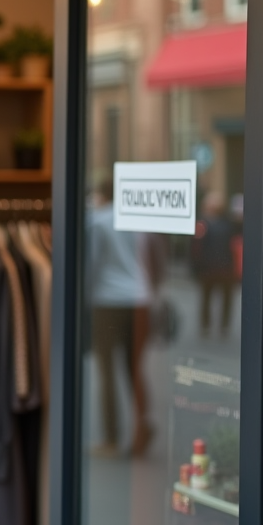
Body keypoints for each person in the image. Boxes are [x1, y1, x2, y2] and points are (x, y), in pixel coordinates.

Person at [86, 181, 153, 457]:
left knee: (107, 371)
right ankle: (142, 427)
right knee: (134, 368)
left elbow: (92, 263)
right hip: (140, 299)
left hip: (107, 300)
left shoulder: (98, 221)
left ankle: (111, 438)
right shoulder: (138, 222)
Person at [192, 191, 238, 338]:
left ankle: (214, 326)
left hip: (216, 268)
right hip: (219, 268)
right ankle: (217, 326)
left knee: (213, 298)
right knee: (215, 299)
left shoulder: (204, 224)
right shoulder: (225, 224)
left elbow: (196, 249)